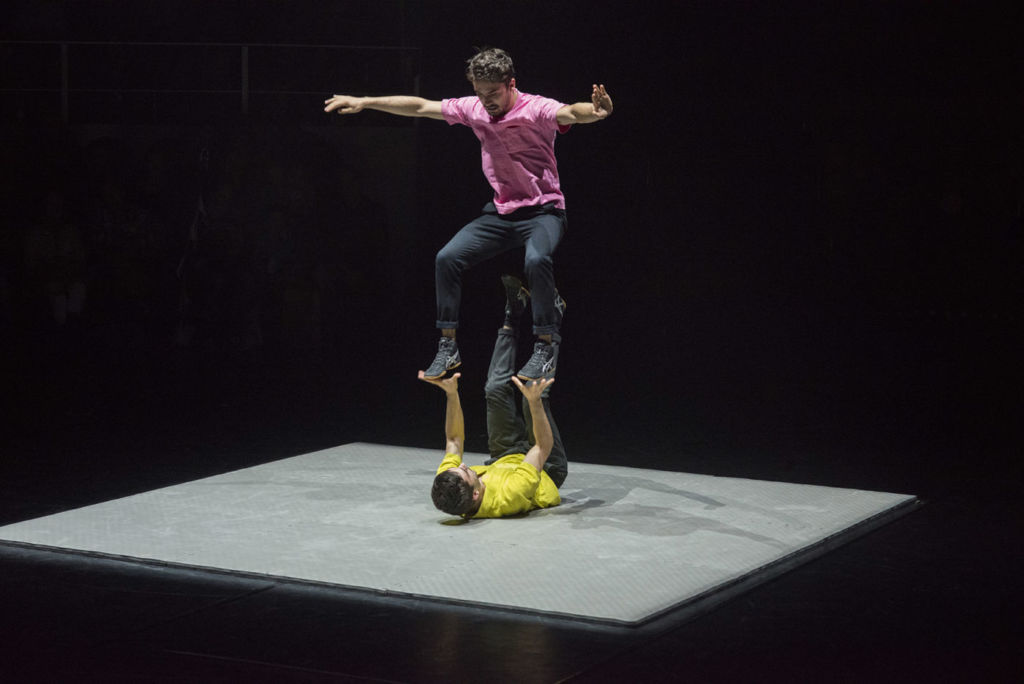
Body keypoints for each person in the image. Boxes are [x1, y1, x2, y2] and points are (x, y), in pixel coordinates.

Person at [325, 47, 613, 380]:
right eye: (480, 93)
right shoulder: (473, 108)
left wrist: (596, 112)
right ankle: (448, 347)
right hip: (502, 213)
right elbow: (420, 106)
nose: (486, 101)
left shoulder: (535, 108)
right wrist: (365, 102)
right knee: (447, 258)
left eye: (493, 93)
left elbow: (571, 112)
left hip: (544, 212)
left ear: (511, 84)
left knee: (536, 260)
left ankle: (545, 346)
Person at [418, 276, 567, 519]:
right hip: (546, 466)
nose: (463, 465)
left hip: (505, 455)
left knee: (494, 389)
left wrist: (451, 394)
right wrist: (534, 402)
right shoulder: (510, 495)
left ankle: (512, 314)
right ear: (476, 494)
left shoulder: (450, 481)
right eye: (466, 472)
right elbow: (542, 447)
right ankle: (553, 318)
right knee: (533, 391)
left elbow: (454, 439)